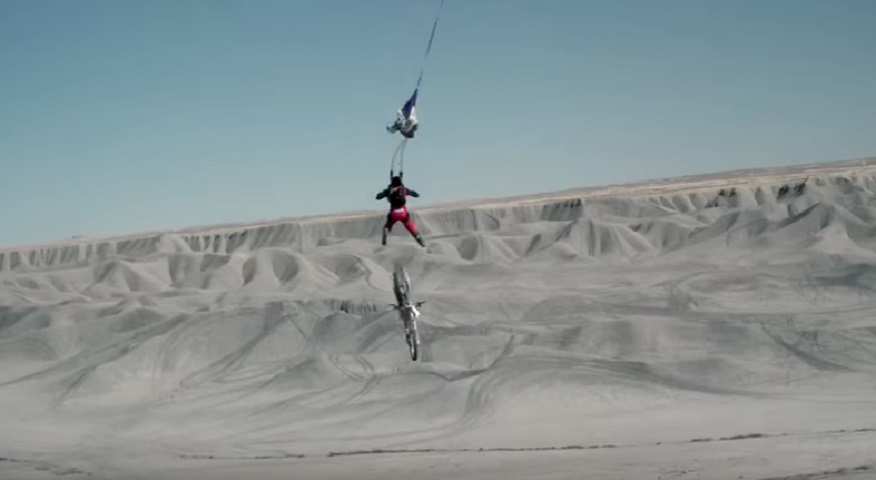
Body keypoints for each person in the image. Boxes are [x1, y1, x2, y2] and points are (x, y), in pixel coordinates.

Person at [376, 176, 425, 247]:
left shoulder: (389, 190)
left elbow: (378, 197)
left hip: (393, 213)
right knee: (409, 225)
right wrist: (414, 193)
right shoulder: (404, 190)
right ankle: (418, 238)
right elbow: (416, 195)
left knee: (389, 223)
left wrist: (386, 192)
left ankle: (386, 229)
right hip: (403, 213)